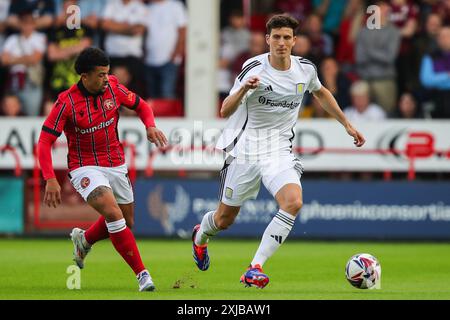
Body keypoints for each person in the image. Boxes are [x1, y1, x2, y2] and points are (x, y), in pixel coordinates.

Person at [191, 14, 365, 289]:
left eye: (287, 37)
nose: (281, 43)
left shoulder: (305, 69)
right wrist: (244, 90)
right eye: (276, 37)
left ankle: (254, 267)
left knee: (293, 202)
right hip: (245, 152)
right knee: (224, 220)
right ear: (267, 40)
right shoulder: (253, 68)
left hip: (279, 151)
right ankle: (201, 235)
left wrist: (347, 123)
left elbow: (320, 93)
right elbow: (225, 110)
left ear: (295, 41)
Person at [37, 47, 168, 291]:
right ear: (84, 77)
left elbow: (142, 106)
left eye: (107, 73)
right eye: (100, 75)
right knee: (113, 213)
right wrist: (50, 178)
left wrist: (150, 126)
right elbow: (44, 142)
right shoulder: (66, 102)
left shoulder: (114, 88)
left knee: (126, 221)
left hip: (115, 162)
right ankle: (143, 275)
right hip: (84, 166)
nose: (106, 79)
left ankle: (84, 240)